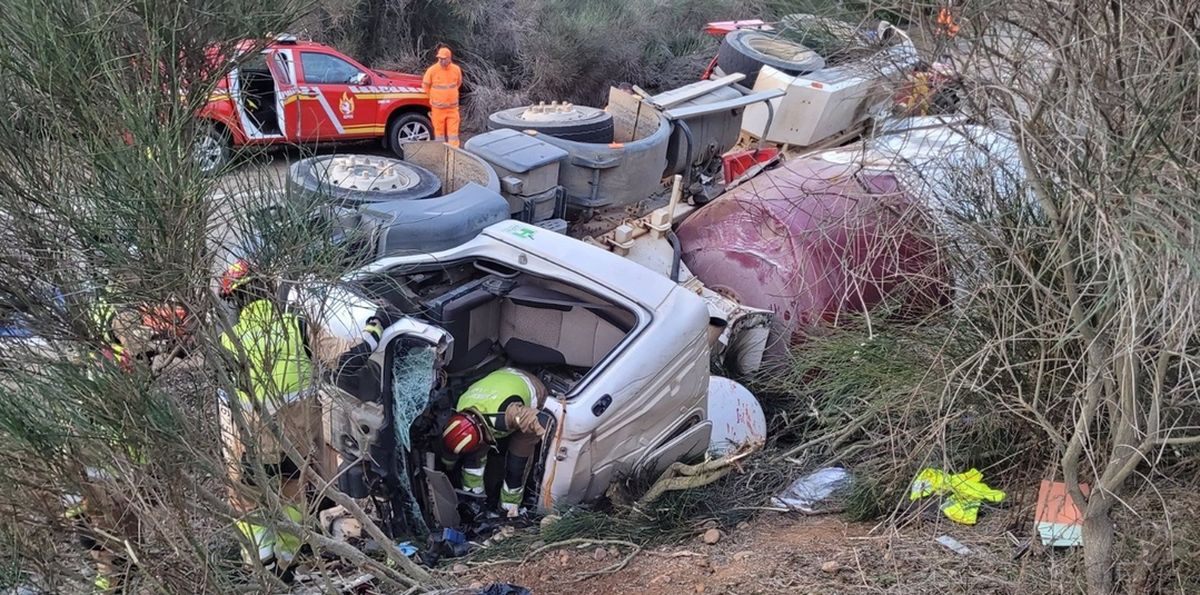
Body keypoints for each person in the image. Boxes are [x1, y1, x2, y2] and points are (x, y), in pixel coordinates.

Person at [440, 368, 548, 516]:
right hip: (501, 377)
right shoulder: (461, 407)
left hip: (531, 387)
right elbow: (451, 445)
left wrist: (550, 436)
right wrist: (448, 467)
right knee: (473, 460)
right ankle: (474, 500)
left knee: (516, 465)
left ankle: (509, 508)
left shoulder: (507, 415)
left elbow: (535, 420)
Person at [421, 46, 463, 148]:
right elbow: (425, 85)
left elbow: (458, 83)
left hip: (452, 108)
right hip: (438, 108)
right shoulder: (432, 70)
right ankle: (440, 152)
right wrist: (434, 97)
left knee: (453, 134)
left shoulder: (456, 69)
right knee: (439, 134)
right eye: (440, 58)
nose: (441, 60)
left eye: (444, 58)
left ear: (449, 58)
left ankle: (453, 152)